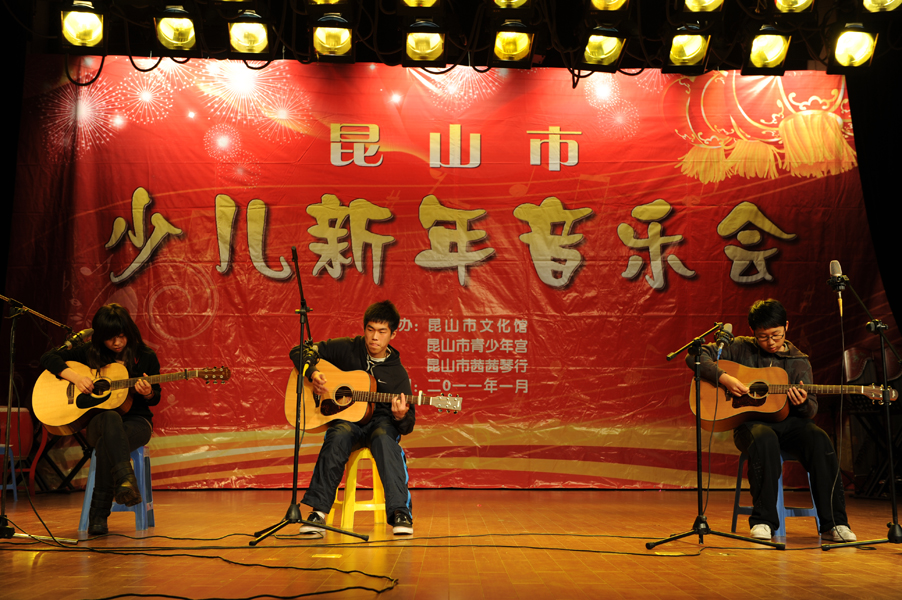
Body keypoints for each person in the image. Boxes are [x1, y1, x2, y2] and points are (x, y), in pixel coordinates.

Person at [689, 298, 856, 542]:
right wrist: (725, 378)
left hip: (791, 425)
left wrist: (802, 402)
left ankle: (835, 524)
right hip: (750, 425)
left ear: (786, 326)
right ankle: (763, 521)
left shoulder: (799, 360)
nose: (771, 342)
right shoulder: (740, 347)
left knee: (820, 440)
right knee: (764, 438)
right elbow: (695, 357)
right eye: (763, 337)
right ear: (753, 332)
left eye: (776, 335)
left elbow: (810, 410)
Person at [289, 300, 415, 536]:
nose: (374, 337)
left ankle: (400, 512)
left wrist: (401, 415)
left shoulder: (397, 373)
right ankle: (318, 513)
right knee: (338, 434)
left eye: (382, 332)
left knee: (386, 439)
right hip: (348, 422)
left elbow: (408, 425)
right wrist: (312, 373)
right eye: (370, 329)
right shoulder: (346, 348)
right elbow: (298, 351)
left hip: (381, 424)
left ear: (393, 334)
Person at [40, 303, 161, 535]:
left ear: (129, 331)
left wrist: (148, 393)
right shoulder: (90, 352)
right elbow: (48, 357)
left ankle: (99, 514)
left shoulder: (145, 356)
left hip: (137, 422)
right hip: (99, 421)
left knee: (108, 441)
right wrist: (76, 378)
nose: (117, 343)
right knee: (110, 417)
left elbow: (155, 398)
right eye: (110, 338)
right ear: (100, 337)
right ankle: (125, 480)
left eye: (121, 336)